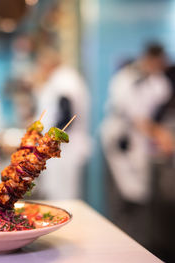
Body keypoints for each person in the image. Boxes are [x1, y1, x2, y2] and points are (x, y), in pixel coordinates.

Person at [102, 43, 174, 205]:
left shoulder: (158, 81)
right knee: (123, 194)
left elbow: (161, 110)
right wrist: (161, 135)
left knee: (140, 193)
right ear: (147, 59)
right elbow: (136, 118)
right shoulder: (124, 79)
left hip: (141, 142)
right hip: (120, 139)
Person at [33, 47, 91, 200]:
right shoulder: (60, 78)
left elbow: (66, 111)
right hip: (62, 149)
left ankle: (68, 224)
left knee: (65, 196)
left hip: (65, 149)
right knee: (58, 192)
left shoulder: (64, 78)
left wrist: (52, 139)